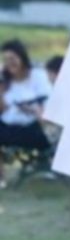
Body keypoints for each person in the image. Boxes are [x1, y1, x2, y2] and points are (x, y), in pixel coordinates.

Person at [0, 39, 52, 187]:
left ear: (22, 57)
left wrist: (30, 108)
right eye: (6, 60)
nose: (10, 64)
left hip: (32, 127)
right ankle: (1, 179)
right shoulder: (5, 81)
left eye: (13, 59)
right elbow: (3, 110)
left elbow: (47, 103)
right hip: (8, 126)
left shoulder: (37, 76)